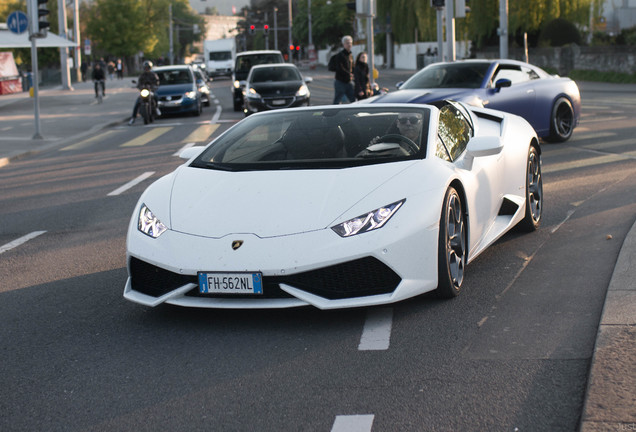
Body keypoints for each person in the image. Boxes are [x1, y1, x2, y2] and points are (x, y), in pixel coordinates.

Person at [129, 61, 161, 125]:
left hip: (150, 91)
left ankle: (157, 108)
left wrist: (154, 86)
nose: (146, 69)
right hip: (144, 91)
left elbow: (157, 82)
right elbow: (139, 83)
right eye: (145, 68)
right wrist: (138, 86)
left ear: (150, 68)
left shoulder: (153, 75)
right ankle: (133, 118)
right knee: (137, 102)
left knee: (156, 97)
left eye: (148, 68)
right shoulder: (142, 75)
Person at [332, 35, 355, 104]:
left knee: (353, 99)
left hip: (349, 81)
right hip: (340, 82)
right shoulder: (340, 55)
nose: (349, 45)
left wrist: (353, 74)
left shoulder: (350, 55)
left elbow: (352, 67)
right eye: (347, 43)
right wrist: (349, 74)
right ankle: (334, 114)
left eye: (350, 43)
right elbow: (340, 68)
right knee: (337, 100)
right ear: (344, 44)